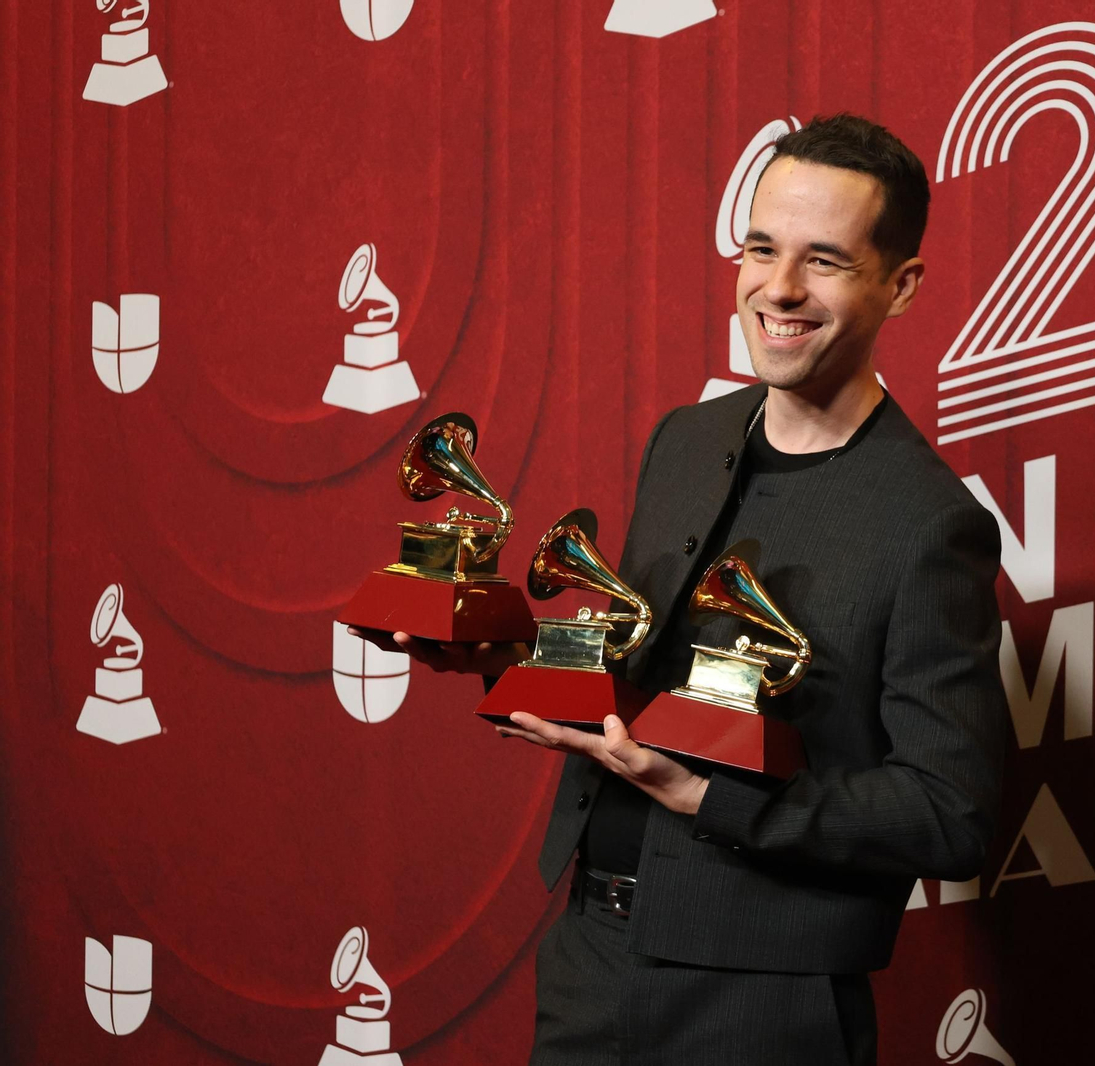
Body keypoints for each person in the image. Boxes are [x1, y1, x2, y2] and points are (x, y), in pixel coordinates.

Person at [359, 113, 1006, 1065]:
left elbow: (952, 814)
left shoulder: (928, 523)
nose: (777, 288)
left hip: (762, 1003)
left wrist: (710, 800)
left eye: (824, 260)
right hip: (591, 955)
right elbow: (650, 688)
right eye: (761, 248)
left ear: (900, 286)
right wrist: (498, 657)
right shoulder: (686, 441)